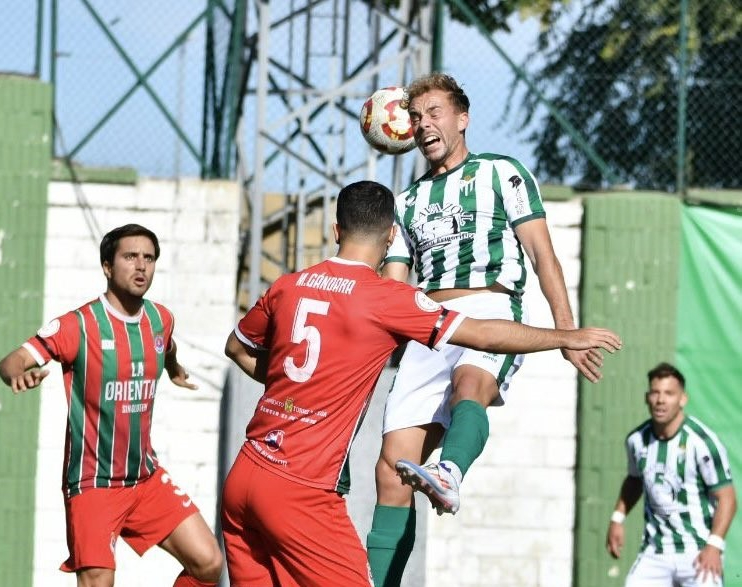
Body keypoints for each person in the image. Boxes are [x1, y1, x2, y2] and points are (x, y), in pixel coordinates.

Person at [222, 180, 622, 587]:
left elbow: (236, 348)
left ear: (336, 231)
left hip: (244, 478)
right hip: (300, 491)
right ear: (392, 234)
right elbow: (483, 335)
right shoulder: (385, 299)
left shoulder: (287, 285)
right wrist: (564, 336)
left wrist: (286, 387)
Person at [366, 72, 606, 586]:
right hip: (428, 324)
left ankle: (451, 473)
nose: (423, 123)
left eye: (434, 112)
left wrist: (565, 333)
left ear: (462, 118)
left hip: (491, 308)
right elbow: (393, 288)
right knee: (390, 471)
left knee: (468, 386)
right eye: (415, 116)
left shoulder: (503, 173)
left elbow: (543, 255)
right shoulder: (406, 203)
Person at [0, 224, 222, 587]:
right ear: (106, 266)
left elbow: (167, 345)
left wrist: (174, 368)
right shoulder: (78, 325)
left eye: (148, 258)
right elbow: (10, 361)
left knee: (208, 562)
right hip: (94, 484)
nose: (141, 266)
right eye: (130, 257)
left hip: (146, 479)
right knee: (99, 580)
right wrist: (17, 375)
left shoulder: (159, 319)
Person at [605, 362, 736, 587]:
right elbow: (634, 480)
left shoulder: (702, 442)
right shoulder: (637, 440)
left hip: (699, 551)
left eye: (669, 393)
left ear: (682, 399)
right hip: (655, 551)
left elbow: (728, 498)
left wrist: (715, 545)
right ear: (647, 398)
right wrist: (617, 518)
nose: (661, 400)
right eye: (655, 392)